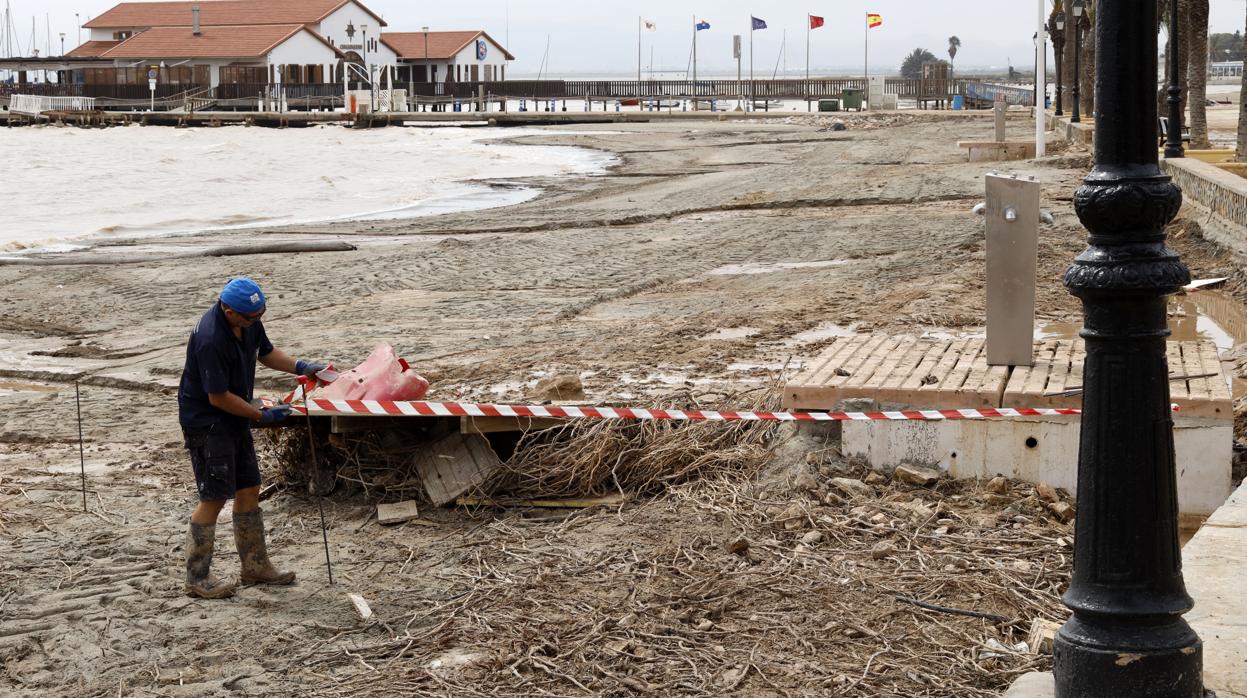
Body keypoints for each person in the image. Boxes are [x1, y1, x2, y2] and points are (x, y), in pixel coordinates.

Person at [178, 277, 327, 599]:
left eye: (260, 316)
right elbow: (217, 397)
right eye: (250, 318)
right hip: (208, 422)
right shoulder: (210, 338)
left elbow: (266, 352)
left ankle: (255, 567)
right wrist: (261, 415)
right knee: (214, 497)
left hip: (236, 416)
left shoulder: (249, 319)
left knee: (249, 488)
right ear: (228, 310)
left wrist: (302, 366)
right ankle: (196, 578)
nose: (255, 322)